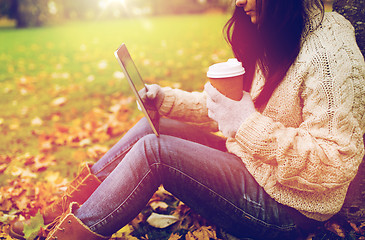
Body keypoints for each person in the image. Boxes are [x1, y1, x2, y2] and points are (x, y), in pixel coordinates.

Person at [10, 0, 365, 239]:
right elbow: (229, 110)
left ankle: (65, 235)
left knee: (155, 152)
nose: (239, 2)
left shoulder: (330, 54)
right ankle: (57, 214)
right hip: (255, 167)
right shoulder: (284, 31)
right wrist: (165, 100)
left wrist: (247, 125)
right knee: (155, 126)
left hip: (290, 208)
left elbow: (334, 165)